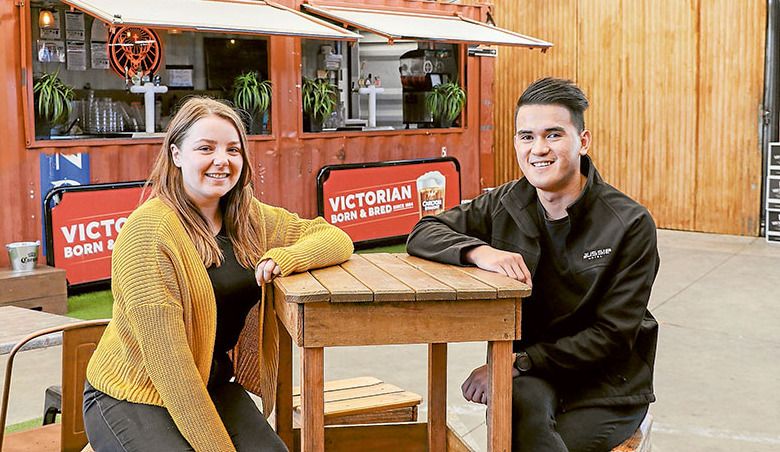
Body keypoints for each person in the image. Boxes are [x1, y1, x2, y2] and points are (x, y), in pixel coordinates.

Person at [83, 97, 354, 452]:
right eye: (205, 148)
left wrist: (284, 258)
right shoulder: (148, 234)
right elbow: (173, 372)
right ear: (177, 155)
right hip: (133, 393)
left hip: (210, 379)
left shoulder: (248, 217)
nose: (221, 161)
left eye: (233, 149)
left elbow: (336, 239)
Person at [407, 78, 658, 452]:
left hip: (607, 384)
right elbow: (424, 231)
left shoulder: (629, 223)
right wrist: (481, 252)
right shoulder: (505, 202)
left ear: (582, 142)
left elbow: (613, 336)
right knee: (519, 424)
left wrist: (516, 362)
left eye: (553, 135)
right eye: (527, 137)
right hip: (533, 377)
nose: (538, 149)